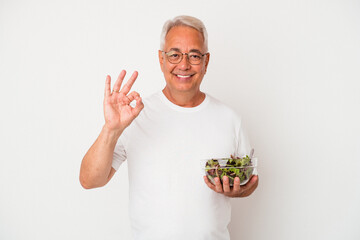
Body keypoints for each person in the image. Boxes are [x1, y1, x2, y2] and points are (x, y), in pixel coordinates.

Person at [80, 15, 259, 240]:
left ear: (206, 61)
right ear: (161, 59)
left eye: (194, 55)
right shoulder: (134, 114)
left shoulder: (230, 119)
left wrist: (240, 188)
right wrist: (111, 129)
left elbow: (250, 180)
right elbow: (90, 180)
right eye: (174, 55)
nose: (183, 65)